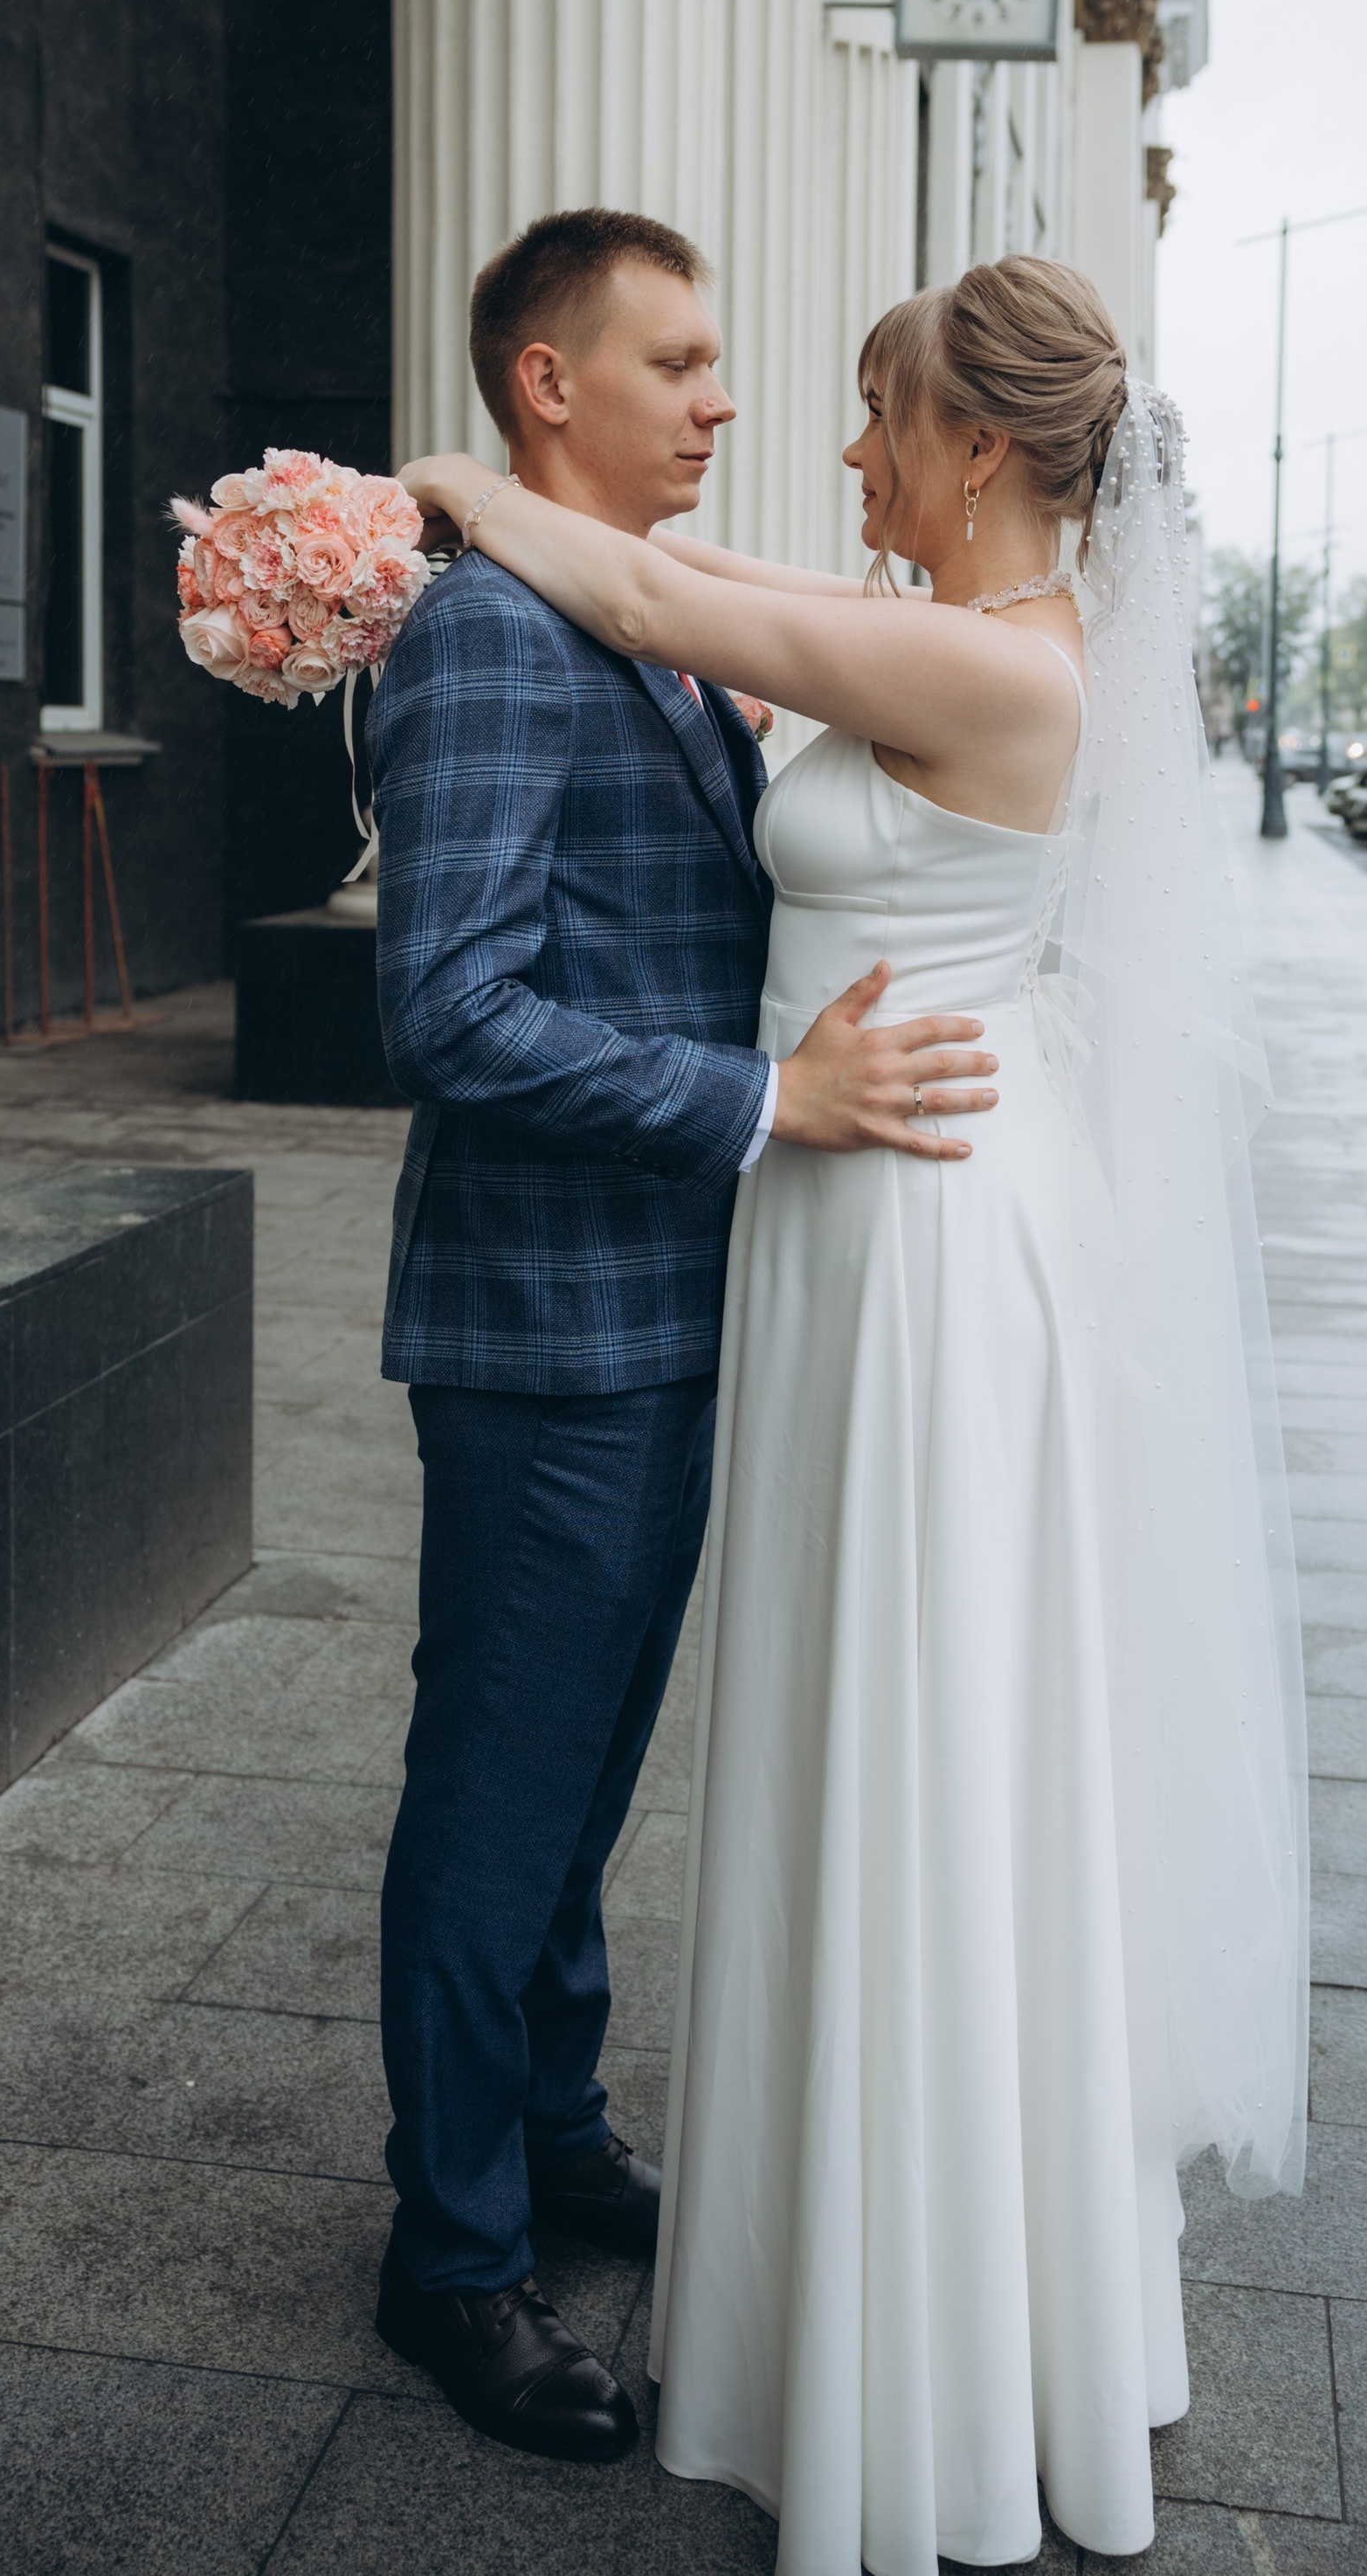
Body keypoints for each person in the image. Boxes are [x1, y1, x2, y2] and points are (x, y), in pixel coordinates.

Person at [401, 253, 1308, 2572]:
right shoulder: (964, 624)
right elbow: (707, 583)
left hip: (909, 1236)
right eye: (700, 368)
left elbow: (653, 592)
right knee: (866, 1730)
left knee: (912, 1740)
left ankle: (902, 2300)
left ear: (980, 444)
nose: (834, 445)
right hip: (849, 1218)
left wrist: (433, 486)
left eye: (875, 411)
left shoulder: (988, 663)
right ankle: (747, 2227)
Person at [364, 208, 1005, 2469]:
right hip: (547, 1332)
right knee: (498, 1802)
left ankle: (550, 2141)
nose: (722, 399)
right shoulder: (491, 635)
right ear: (549, 384)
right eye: (680, 361)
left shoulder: (620, 614)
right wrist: (766, 1100)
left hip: (654, 1311)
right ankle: (452, 2260)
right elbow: (446, 1010)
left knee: (577, 1786)